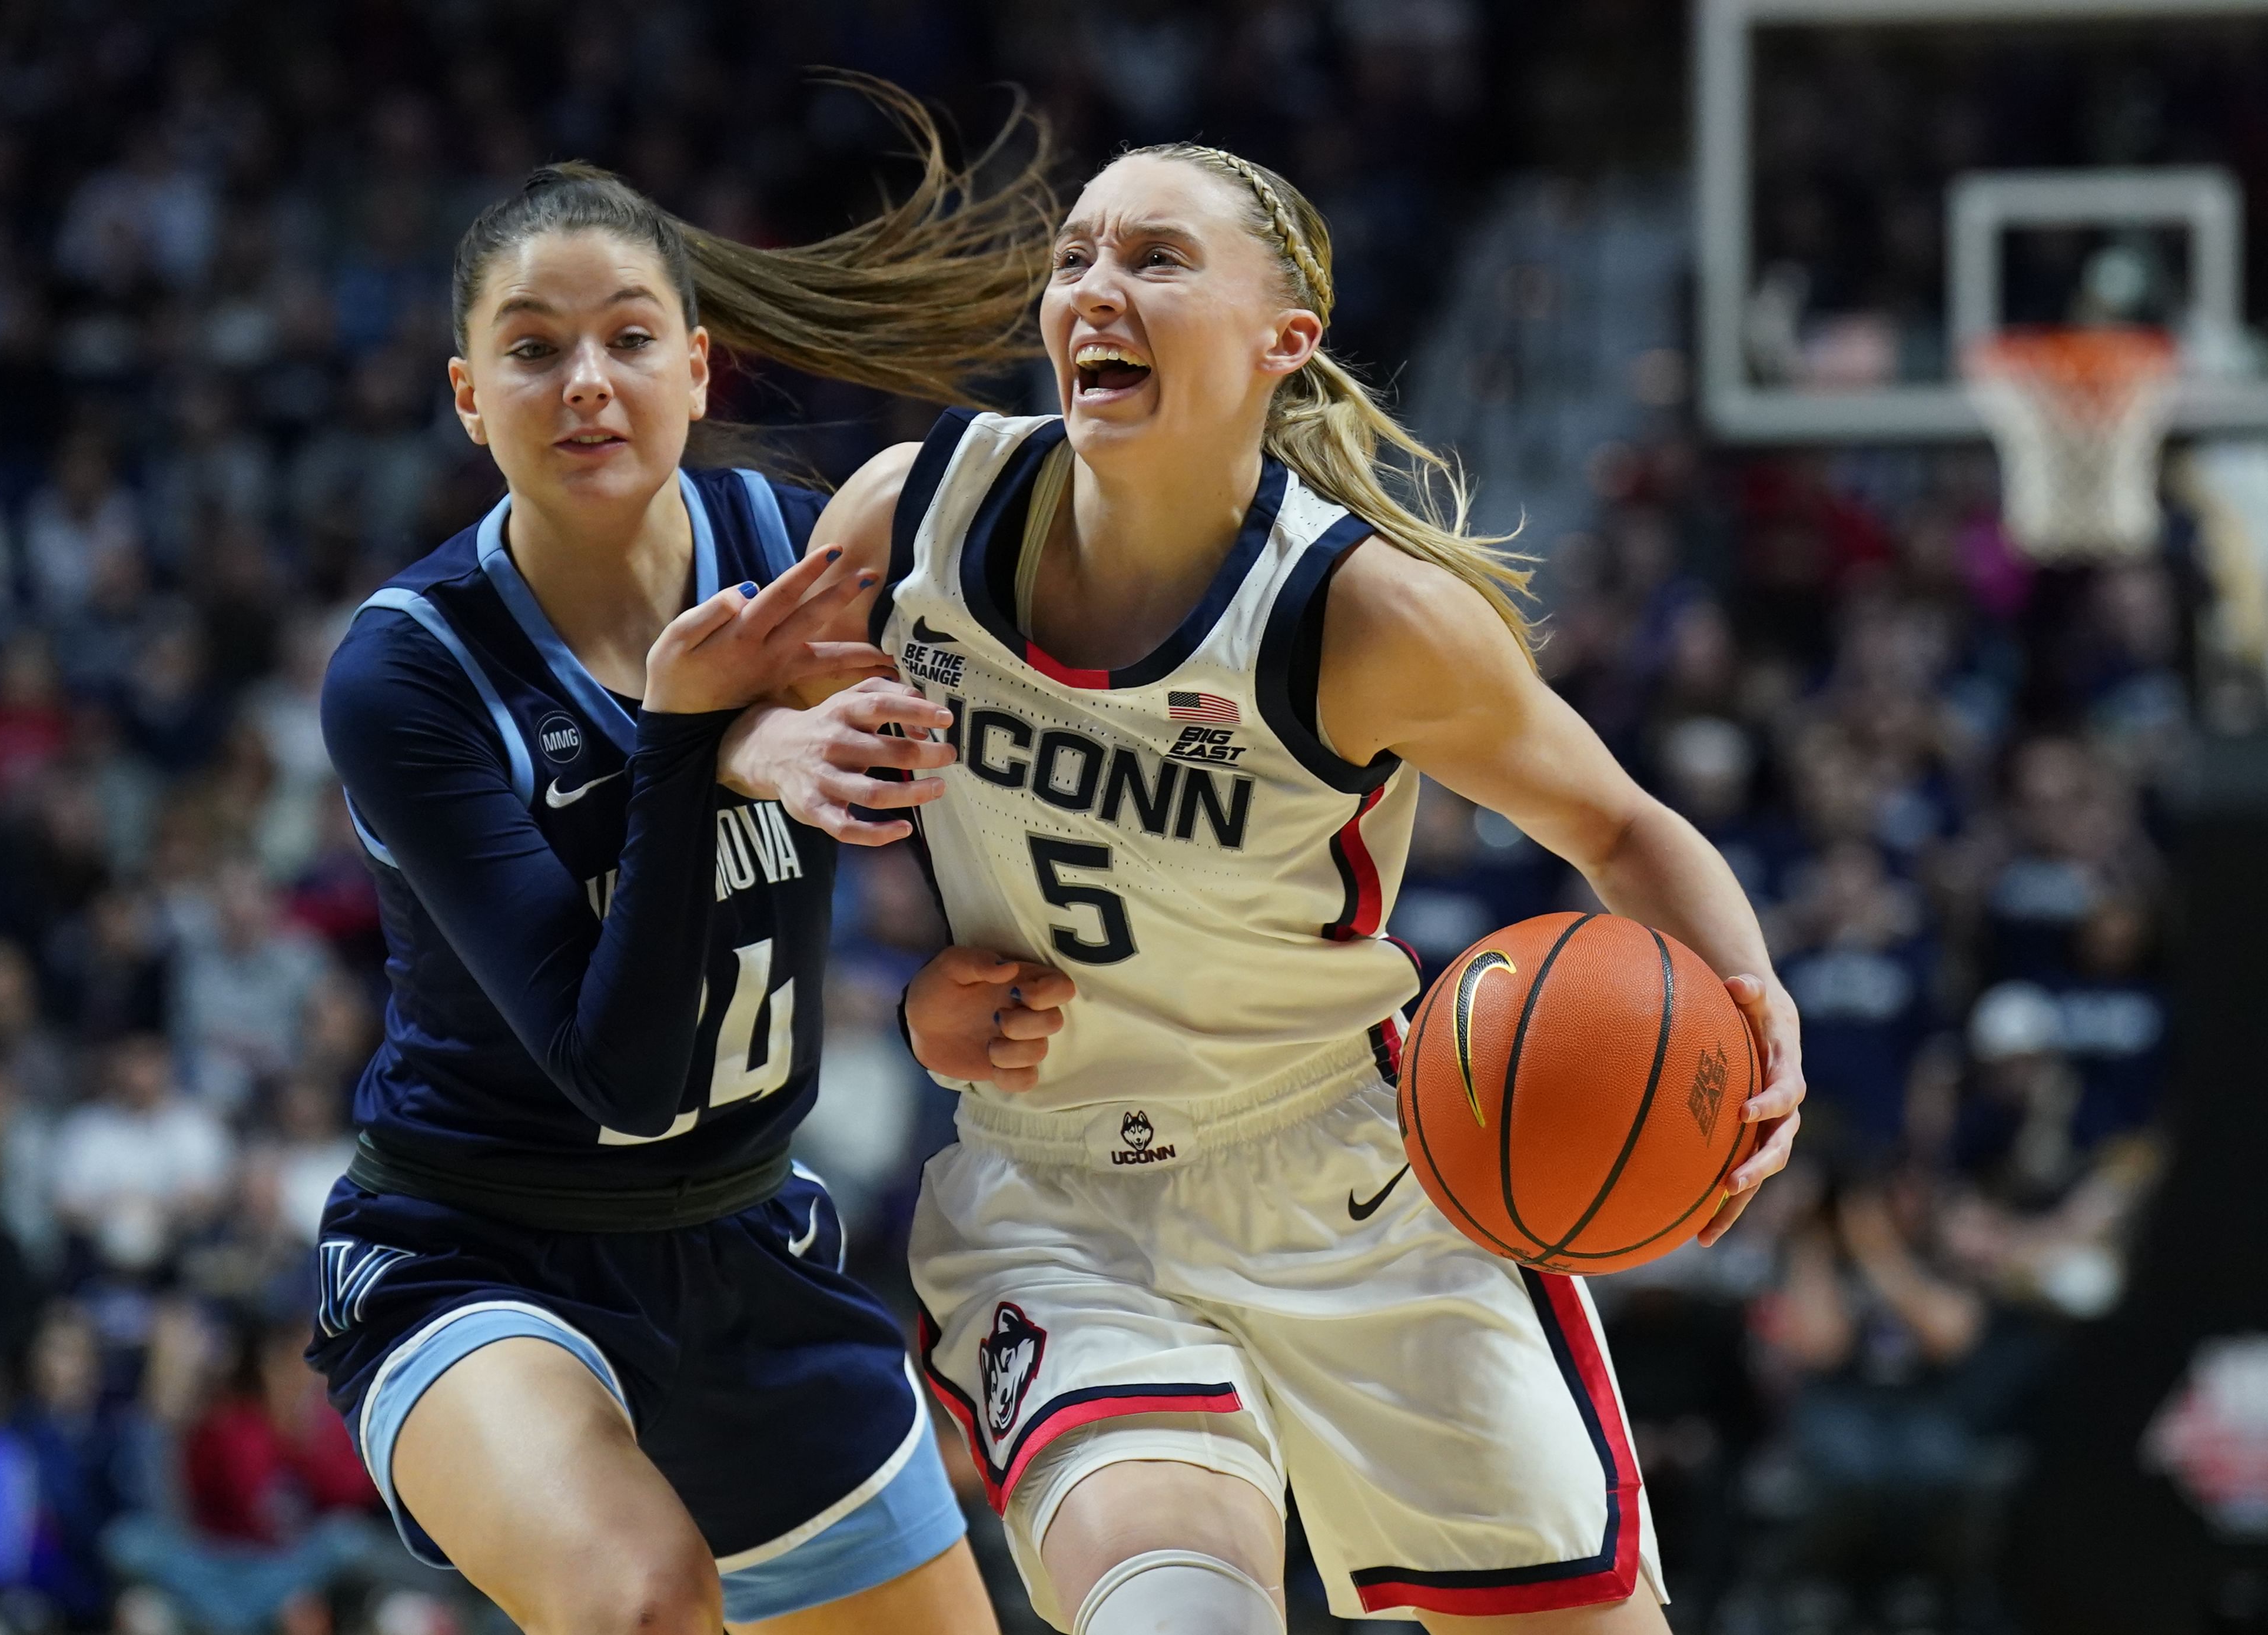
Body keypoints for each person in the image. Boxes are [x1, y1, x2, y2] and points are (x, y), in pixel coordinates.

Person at [771, 144, 1808, 1633]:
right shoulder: (908, 520)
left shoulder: (1369, 618)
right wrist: (899, 982)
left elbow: (1624, 829)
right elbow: (744, 767)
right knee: (1175, 1609)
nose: (1096, 290)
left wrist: (1753, 1000)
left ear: (1286, 340)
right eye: (1074, 259)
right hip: (1055, 1186)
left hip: (1353, 1172)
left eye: (1157, 258)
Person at [310, 87, 1051, 1635]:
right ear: (467, 395)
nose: (586, 382)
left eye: (629, 339)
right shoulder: (409, 672)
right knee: (645, 1601)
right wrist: (698, 746)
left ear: (696, 365)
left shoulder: (793, 556)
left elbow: (979, 820)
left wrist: (924, 1003)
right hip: (473, 1249)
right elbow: (623, 1072)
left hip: (745, 1242)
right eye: (532, 348)